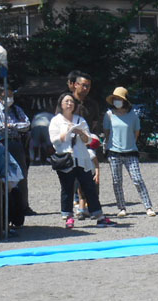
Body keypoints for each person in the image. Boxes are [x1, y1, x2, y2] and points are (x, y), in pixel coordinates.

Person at [48, 92, 116, 229]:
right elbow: (54, 140)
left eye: (71, 102)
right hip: (66, 159)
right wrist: (66, 131)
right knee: (67, 188)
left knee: (89, 187)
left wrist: (81, 133)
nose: (69, 104)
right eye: (66, 101)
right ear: (61, 104)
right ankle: (68, 217)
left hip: (82, 158)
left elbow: (89, 140)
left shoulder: (80, 120)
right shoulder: (56, 120)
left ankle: (99, 216)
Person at [103, 87, 156, 217]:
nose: (117, 101)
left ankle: (148, 206)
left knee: (137, 179)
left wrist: (129, 143)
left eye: (119, 99)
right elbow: (107, 133)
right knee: (117, 181)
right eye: (115, 99)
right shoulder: (109, 115)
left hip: (131, 151)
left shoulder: (133, 115)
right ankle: (121, 207)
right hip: (114, 152)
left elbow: (136, 133)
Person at [0, 86, 32, 215]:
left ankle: (24, 206)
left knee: (22, 175)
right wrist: (16, 126)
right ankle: (7, 206)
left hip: (17, 143)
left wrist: (12, 125)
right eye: (5, 95)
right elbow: (0, 128)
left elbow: (27, 125)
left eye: (11, 95)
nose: (9, 98)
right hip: (2, 144)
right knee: (4, 174)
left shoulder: (17, 109)